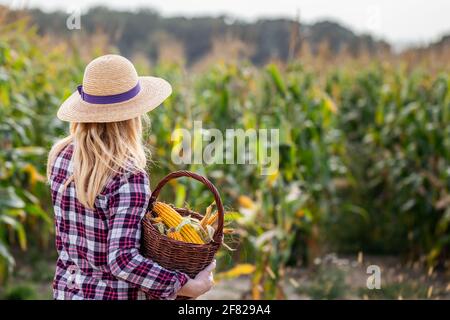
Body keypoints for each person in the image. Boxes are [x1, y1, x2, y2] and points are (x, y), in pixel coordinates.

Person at [47, 54, 214, 300]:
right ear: (133, 116)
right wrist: (187, 285)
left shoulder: (61, 155)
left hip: (67, 292)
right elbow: (122, 260)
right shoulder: (127, 174)